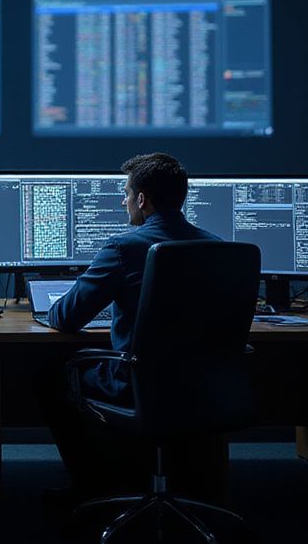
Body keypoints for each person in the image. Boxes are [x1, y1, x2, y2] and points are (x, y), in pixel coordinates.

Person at [40, 152, 222, 499]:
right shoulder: (217, 247)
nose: (123, 202)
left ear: (142, 199)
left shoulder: (125, 248)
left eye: (126, 194)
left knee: (51, 378)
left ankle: (90, 488)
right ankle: (192, 486)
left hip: (140, 383)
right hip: (206, 386)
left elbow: (66, 317)